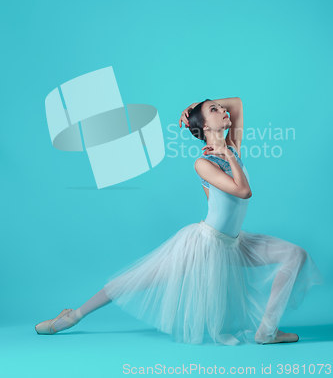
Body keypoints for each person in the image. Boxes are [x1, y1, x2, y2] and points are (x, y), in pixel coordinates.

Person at [35, 97, 323, 345]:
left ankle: (266, 331)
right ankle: (72, 317)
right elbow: (244, 191)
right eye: (214, 110)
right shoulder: (203, 163)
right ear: (206, 127)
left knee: (295, 255)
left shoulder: (232, 146)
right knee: (136, 280)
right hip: (204, 245)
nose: (224, 110)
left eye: (220, 108)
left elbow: (237, 103)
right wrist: (223, 150)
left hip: (236, 244)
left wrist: (194, 106)